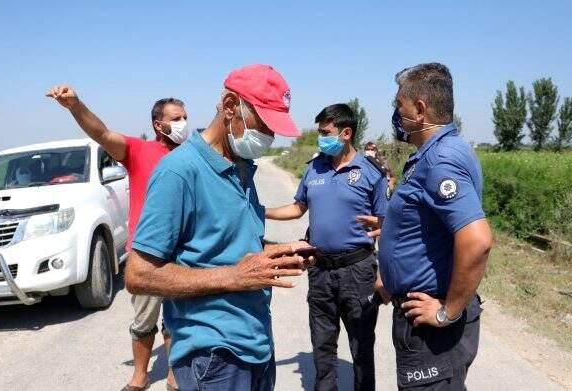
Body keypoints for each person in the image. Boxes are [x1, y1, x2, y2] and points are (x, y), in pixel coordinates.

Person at [125, 64, 311, 391]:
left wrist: (278, 256)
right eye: (264, 124)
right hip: (212, 356)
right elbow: (138, 275)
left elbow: (230, 248)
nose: (269, 136)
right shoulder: (180, 171)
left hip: (256, 344)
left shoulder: (242, 170)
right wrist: (233, 276)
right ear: (229, 107)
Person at [46, 86, 188, 391]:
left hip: (184, 250)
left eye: (185, 117)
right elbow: (102, 133)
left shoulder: (191, 155)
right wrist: (75, 106)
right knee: (144, 318)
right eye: (177, 118)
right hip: (149, 251)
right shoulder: (138, 150)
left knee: (178, 317)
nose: (183, 123)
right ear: (158, 125)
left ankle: (176, 374)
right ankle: (140, 375)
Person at [378, 63, 493, 390]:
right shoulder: (436, 153)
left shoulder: (441, 159)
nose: (397, 114)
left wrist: (447, 312)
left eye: (399, 105)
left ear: (419, 108)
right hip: (418, 310)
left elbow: (477, 240)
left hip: (432, 326)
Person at [266, 104, 389, 390]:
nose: (321, 138)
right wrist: (260, 211)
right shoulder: (315, 167)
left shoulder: (372, 172)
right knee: (322, 344)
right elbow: (298, 208)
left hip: (357, 272)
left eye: (325, 132)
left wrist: (387, 273)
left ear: (346, 133)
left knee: (361, 346)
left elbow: (386, 224)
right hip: (320, 271)